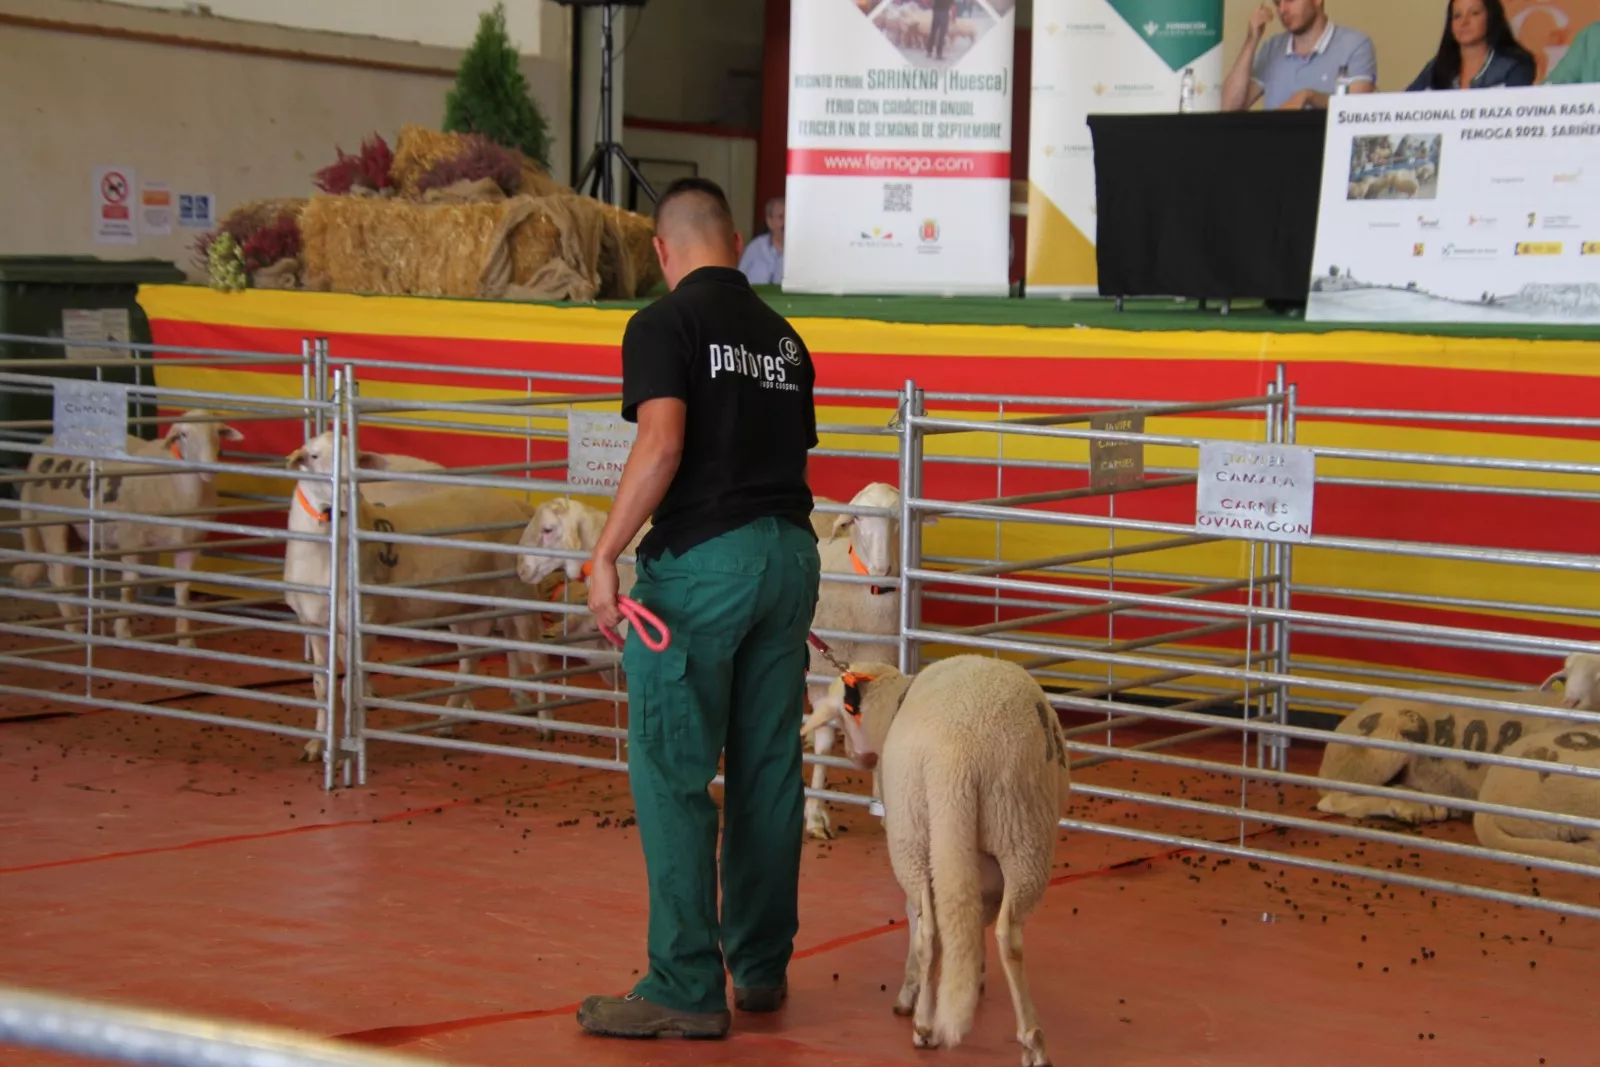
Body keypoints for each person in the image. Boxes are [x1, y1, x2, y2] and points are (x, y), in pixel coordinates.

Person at [575, 176, 822, 1040]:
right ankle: (757, 967)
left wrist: (605, 551)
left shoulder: (663, 323)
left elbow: (663, 442)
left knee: (674, 770)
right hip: (789, 556)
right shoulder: (786, 340)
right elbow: (785, 456)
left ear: (662, 248)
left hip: (702, 570)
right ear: (731, 238)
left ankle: (683, 979)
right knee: (765, 767)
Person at [1222, 0, 1377, 111]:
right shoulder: (1272, 48)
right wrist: (1252, 40)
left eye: (1290, 1)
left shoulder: (1355, 45)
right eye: (1277, 3)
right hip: (1274, 151)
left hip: (1326, 153)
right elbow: (1229, 108)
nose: (1282, 9)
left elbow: (1357, 112)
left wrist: (1309, 96)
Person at [1406, 0, 1535, 91]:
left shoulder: (1514, 66)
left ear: (1490, 17)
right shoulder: (1436, 66)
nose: (1464, 22)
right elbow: (1403, 107)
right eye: (1457, 16)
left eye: (1474, 13)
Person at [737, 196, 785, 284]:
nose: (785, 222)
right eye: (781, 217)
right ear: (769, 221)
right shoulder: (754, 248)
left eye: (789, 217)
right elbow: (739, 278)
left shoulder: (800, 251)